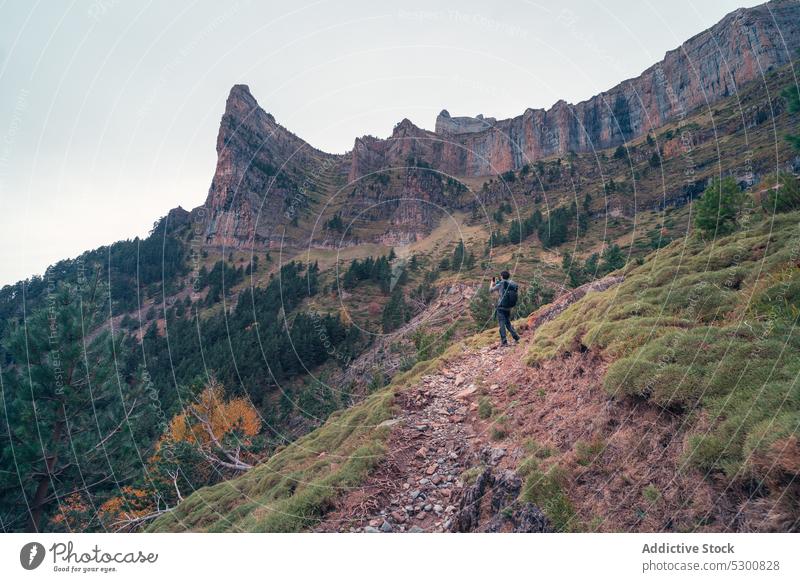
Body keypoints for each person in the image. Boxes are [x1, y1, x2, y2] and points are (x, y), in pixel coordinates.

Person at [490, 270, 520, 346]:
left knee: (502, 324)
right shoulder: (512, 283)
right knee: (508, 324)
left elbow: (491, 290)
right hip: (508, 307)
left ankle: (504, 341)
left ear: (502, 276)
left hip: (501, 307)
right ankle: (516, 337)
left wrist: (492, 283)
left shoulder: (501, 284)